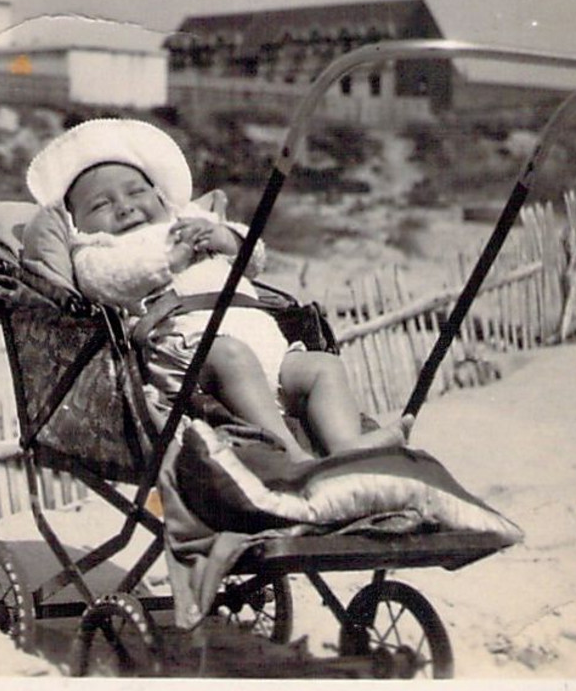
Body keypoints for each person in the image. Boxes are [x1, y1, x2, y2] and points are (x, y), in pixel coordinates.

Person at [25, 118, 406, 462]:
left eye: (135, 192)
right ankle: (291, 454)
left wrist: (225, 238)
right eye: (101, 205)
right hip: (192, 358)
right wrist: (169, 260)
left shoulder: (192, 221)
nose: (125, 208)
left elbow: (253, 259)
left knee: (323, 365)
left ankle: (345, 446)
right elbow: (108, 280)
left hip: (267, 345)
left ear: (160, 196)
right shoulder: (99, 251)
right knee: (231, 355)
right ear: (78, 226)